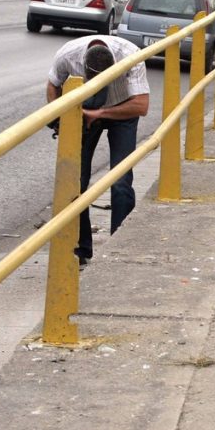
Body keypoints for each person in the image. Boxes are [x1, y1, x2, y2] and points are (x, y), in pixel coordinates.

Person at [46, 37, 150, 266]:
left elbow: (141, 106)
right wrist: (57, 120)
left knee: (121, 180)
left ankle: (118, 248)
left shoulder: (131, 57)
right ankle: (81, 250)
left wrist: (101, 114)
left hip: (122, 110)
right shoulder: (68, 55)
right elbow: (52, 85)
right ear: (83, 66)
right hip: (84, 110)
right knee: (76, 182)